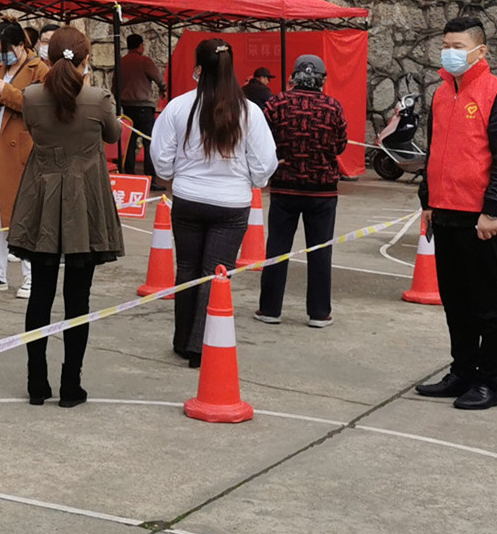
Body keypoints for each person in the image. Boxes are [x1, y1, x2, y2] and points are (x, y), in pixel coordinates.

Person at [8, 28, 125, 407]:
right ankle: (71, 384)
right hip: (84, 198)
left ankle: (36, 382)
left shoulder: (31, 97)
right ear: (86, 59)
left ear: (48, 56)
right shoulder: (98, 99)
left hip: (41, 195)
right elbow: (113, 135)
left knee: (40, 294)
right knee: (78, 298)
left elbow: (34, 127)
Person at [416, 14, 497, 411]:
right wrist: (427, 201)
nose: (450, 53)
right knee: (455, 300)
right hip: (445, 211)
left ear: (480, 51)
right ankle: (461, 370)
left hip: (481, 218)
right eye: (446, 46)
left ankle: (489, 381)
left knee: (486, 303)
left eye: (458, 47)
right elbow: (433, 152)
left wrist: (492, 210)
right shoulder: (441, 94)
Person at [150, 37, 277, 367]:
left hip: (188, 198)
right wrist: (251, 181)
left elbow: (160, 157)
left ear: (198, 69)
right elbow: (265, 163)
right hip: (231, 204)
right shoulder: (248, 112)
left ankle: (182, 340)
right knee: (216, 273)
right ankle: (200, 346)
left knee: (187, 269)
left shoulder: (178, 107)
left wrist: (174, 176)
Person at [255, 55, 349, 328]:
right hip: (322, 190)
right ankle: (319, 313)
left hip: (285, 186)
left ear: (294, 77)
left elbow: (262, 140)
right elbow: (340, 145)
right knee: (320, 251)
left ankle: (270, 309)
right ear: (322, 79)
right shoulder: (333, 106)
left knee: (277, 248)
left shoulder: (276, 104)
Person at [0, 22, 49, 296]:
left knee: (24, 214)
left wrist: (7, 92)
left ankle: (31, 274)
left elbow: (40, 107)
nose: (2, 55)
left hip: (22, 152)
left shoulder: (39, 70)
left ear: (20, 45)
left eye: (6, 49)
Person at [118, 33, 166, 181]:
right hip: (144, 107)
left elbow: (115, 85)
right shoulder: (144, 61)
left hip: (127, 107)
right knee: (149, 141)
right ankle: (150, 177)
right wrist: (163, 89)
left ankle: (129, 173)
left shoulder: (121, 62)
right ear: (140, 46)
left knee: (129, 142)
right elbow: (159, 78)